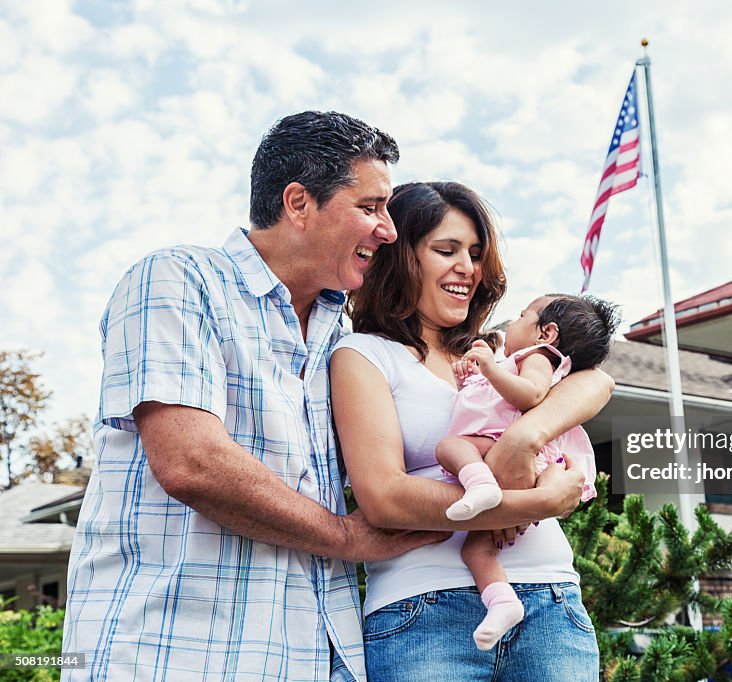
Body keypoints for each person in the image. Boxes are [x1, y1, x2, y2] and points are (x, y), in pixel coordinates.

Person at [61, 112, 540, 682]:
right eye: (370, 207)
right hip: (173, 650)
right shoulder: (179, 278)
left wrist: (518, 470)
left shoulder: (346, 337)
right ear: (298, 203)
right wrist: (345, 535)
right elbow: (190, 461)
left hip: (314, 651)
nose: (387, 230)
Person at [332, 181, 613, 681]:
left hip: (551, 599)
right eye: (446, 250)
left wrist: (521, 442)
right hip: (425, 607)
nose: (468, 266)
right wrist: (539, 503)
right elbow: (384, 498)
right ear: (400, 257)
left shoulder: (499, 350)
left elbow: (597, 381)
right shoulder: (364, 355)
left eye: (476, 252)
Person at [436, 293, 620, 649]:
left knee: (449, 447)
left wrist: (489, 368)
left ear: (546, 333)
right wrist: (471, 379)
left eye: (522, 315)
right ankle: (503, 603)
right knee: (476, 549)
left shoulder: (537, 357)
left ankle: (481, 485)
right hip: (502, 450)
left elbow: (531, 396)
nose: (512, 322)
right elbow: (485, 403)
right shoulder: (516, 363)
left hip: (508, 452)